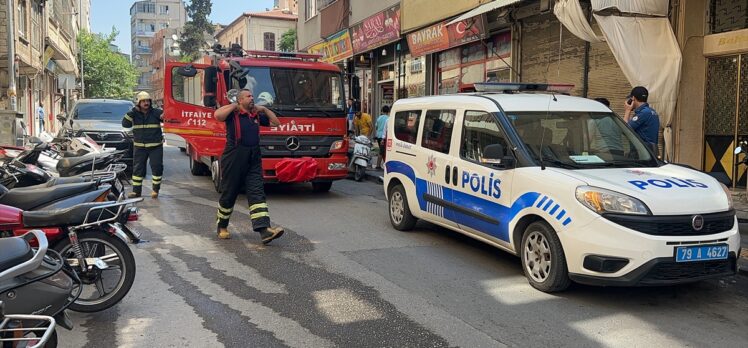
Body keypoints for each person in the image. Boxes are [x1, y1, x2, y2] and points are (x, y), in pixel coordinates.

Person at [213, 89, 285, 243]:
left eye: (252, 96)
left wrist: (264, 109)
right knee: (229, 193)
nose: (252, 98)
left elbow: (276, 123)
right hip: (234, 156)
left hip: (253, 156)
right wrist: (235, 105)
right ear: (240, 100)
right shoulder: (233, 114)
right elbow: (218, 115)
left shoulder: (256, 115)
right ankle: (222, 226)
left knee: (257, 191)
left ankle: (264, 230)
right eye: (248, 96)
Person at [123, 91, 164, 199]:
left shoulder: (156, 112)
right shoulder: (134, 114)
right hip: (140, 147)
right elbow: (125, 124)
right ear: (138, 103)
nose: (146, 103)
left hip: (155, 146)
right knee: (137, 170)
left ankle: (155, 190)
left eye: (148, 101)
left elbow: (166, 118)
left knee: (157, 168)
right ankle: (136, 192)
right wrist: (132, 112)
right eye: (143, 101)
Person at [623, 86, 660, 155]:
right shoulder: (652, 112)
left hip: (642, 152)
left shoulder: (643, 113)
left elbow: (625, 129)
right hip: (651, 150)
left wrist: (627, 110)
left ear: (633, 98)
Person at [374, 105, 390, 169]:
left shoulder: (379, 118)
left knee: (382, 150)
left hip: (378, 136)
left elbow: (376, 127)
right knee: (382, 151)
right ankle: (378, 165)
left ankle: (383, 164)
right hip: (384, 137)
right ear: (388, 111)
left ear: (382, 111)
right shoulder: (388, 118)